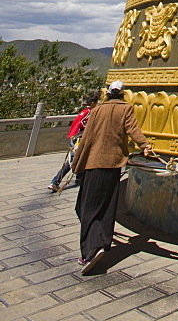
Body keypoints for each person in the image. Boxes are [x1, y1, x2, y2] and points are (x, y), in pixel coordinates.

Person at [70, 80, 153, 274]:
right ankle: (102, 243)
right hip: (114, 164)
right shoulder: (126, 109)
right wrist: (145, 145)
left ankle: (90, 250)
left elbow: (87, 137)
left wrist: (76, 164)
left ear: (107, 93)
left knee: (86, 207)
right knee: (106, 205)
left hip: (94, 163)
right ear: (123, 94)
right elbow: (133, 130)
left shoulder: (97, 110)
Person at [48, 91, 100, 192]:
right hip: (78, 139)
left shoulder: (85, 111)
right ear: (93, 103)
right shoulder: (89, 112)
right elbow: (82, 123)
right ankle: (55, 182)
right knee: (71, 162)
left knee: (81, 158)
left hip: (76, 138)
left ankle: (79, 179)